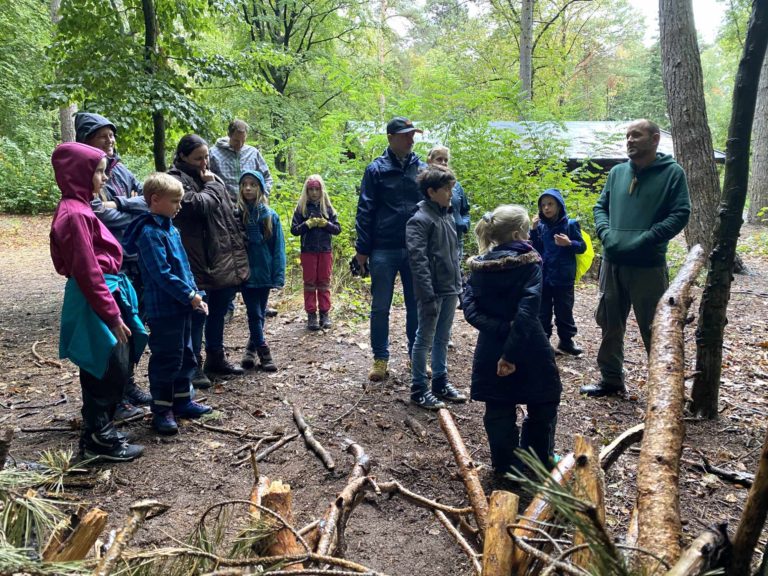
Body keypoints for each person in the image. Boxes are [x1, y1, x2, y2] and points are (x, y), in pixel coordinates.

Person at [50, 142, 146, 462]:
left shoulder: (81, 207)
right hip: (96, 296)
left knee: (115, 361)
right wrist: (111, 314)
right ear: (79, 174)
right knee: (104, 365)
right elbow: (87, 269)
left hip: (106, 291)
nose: (105, 178)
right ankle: (97, 438)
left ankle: (101, 429)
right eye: (99, 172)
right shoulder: (74, 214)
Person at [582, 119, 691, 397]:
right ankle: (610, 379)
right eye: (628, 136)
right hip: (612, 261)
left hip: (648, 265)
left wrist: (647, 238)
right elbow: (600, 207)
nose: (630, 140)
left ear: (654, 139)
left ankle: (665, 389)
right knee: (609, 322)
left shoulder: (671, 174)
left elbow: (680, 214)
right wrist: (605, 232)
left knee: (654, 327)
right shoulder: (618, 172)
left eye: (637, 135)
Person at [463, 205, 561, 479]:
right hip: (529, 345)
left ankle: (506, 466)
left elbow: (470, 309)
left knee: (498, 405)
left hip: (491, 344)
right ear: (518, 233)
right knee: (543, 401)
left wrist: (499, 331)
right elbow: (528, 312)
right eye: (528, 230)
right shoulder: (530, 263)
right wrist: (510, 352)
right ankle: (537, 462)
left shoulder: (479, 267)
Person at [123, 173, 213, 435]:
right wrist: (188, 294)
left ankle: (183, 400)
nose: (179, 206)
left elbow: (183, 266)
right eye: (175, 201)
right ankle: (161, 410)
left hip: (184, 305)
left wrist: (196, 293)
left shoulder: (171, 229)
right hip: (164, 308)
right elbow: (162, 273)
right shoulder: (149, 233)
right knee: (166, 357)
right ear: (155, 200)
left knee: (186, 354)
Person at [75, 112, 152, 417]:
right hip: (105, 268)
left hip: (130, 259)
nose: (110, 141)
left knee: (132, 327)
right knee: (110, 334)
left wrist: (119, 204)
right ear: (87, 140)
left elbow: (147, 203)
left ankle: (127, 385)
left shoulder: (120, 171)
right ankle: (110, 402)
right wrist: (127, 209)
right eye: (102, 136)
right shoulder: (83, 172)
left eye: (111, 135)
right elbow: (97, 214)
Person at [169, 134, 250, 387]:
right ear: (183, 156)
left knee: (219, 310)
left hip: (224, 256)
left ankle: (216, 358)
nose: (204, 162)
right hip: (199, 258)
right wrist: (212, 185)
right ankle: (192, 365)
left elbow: (229, 213)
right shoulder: (175, 180)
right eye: (198, 158)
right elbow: (197, 205)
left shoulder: (210, 176)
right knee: (198, 313)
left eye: (206, 156)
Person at [354, 116, 427, 382]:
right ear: (391, 138)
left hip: (415, 248)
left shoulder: (421, 168)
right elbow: (365, 210)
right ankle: (380, 359)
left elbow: (432, 206)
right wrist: (362, 249)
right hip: (383, 248)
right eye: (406, 135)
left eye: (412, 134)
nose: (411, 139)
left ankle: (415, 357)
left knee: (415, 306)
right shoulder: (376, 170)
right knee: (381, 306)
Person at [406, 165, 466, 410]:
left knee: (443, 337)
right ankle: (418, 388)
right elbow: (418, 262)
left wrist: (460, 285)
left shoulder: (447, 215)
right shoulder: (419, 221)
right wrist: (428, 294)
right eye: (446, 189)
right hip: (432, 291)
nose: (451, 194)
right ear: (431, 192)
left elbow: (454, 254)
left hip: (450, 288)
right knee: (424, 339)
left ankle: (440, 382)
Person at [237, 170, 286, 372]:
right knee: (254, 313)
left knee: (260, 313)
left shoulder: (270, 216)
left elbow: (278, 248)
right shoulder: (236, 214)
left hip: (264, 273)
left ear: (260, 188)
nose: (248, 188)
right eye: (245, 184)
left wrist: (278, 275)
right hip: (245, 273)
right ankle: (264, 352)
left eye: (253, 184)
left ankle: (250, 349)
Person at [530, 188, 586, 356]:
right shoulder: (540, 226)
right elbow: (535, 249)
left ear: (559, 205)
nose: (546, 208)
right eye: (543, 205)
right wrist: (532, 230)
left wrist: (569, 243)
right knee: (543, 311)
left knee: (564, 310)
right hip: (545, 276)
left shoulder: (570, 224)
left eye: (550, 204)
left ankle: (566, 341)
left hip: (564, 276)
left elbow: (582, 247)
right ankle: (543, 342)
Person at [291, 175, 341, 331]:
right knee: (310, 283)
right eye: (311, 189)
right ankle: (311, 315)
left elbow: (337, 229)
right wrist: (308, 224)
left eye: (317, 189)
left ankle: (325, 313)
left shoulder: (327, 207)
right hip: (308, 251)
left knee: (324, 282)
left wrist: (325, 224)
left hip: (325, 251)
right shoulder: (302, 208)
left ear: (321, 190)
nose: (314, 192)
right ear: (306, 190)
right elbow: (294, 230)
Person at [209, 119, 273, 201]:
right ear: (229, 135)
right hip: (224, 206)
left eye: (243, 140)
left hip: (251, 206)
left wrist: (262, 195)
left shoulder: (253, 153)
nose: (240, 144)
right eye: (236, 141)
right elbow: (207, 179)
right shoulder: (213, 153)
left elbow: (267, 177)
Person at [425, 146, 471, 261]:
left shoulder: (456, 186)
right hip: (434, 240)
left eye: (446, 160)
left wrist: (464, 224)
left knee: (455, 272)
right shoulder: (424, 185)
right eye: (439, 159)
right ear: (430, 161)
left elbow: (465, 210)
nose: (443, 163)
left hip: (456, 237)